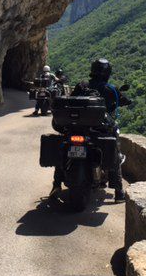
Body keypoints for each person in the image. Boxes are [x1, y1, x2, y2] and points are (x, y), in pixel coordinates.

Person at [51, 58, 131, 202]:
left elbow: (72, 99)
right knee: (114, 149)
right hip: (98, 130)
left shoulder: (82, 85)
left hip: (76, 127)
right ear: (108, 73)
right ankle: (119, 192)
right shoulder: (110, 89)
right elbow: (121, 100)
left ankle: (56, 185)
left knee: (62, 149)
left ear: (92, 70)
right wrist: (126, 100)